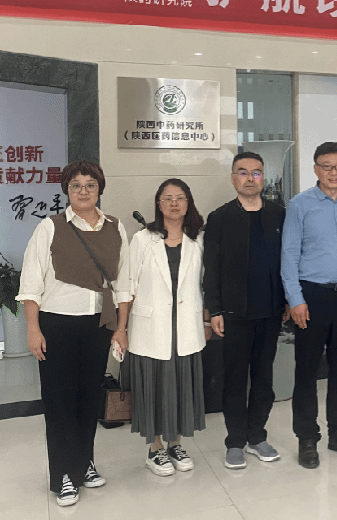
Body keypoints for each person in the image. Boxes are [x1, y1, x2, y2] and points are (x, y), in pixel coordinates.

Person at [17, 160, 131, 507]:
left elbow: (123, 284)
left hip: (98, 325)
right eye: (76, 185)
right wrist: (33, 329)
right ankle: (64, 475)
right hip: (57, 325)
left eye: (90, 185)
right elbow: (31, 284)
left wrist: (121, 328)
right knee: (59, 401)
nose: (83, 191)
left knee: (88, 398)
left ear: (100, 189)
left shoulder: (115, 227)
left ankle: (84, 464)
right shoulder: (49, 227)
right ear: (66, 190)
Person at [283, 141, 337, 469]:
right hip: (312, 296)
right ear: (316, 169)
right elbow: (289, 254)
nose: (334, 172)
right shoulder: (300, 204)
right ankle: (307, 438)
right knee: (306, 371)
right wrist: (296, 299)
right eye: (327, 166)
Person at [204, 152, 288, 470]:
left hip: (270, 312)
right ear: (233, 178)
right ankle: (235, 442)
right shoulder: (220, 217)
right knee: (235, 380)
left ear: (263, 177)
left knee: (264, 378)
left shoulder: (279, 215)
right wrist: (214, 309)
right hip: (234, 313)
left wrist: (287, 301)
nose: (250, 178)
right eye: (243, 172)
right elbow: (211, 268)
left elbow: (288, 261)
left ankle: (257, 437)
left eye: (256, 172)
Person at [126, 179, 210, 476]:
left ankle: (176, 444)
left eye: (180, 198)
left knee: (181, 386)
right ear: (158, 204)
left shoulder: (198, 239)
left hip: (186, 325)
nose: (174, 203)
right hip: (151, 326)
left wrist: (207, 320)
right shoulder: (142, 239)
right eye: (168, 198)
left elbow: (206, 284)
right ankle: (155, 449)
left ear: (188, 203)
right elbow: (127, 284)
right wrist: (121, 328)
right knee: (154, 387)